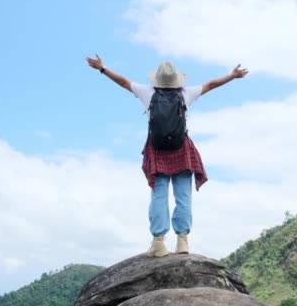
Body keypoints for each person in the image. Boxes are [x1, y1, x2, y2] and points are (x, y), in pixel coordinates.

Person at [85, 54, 248, 257]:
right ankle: (182, 241)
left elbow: (123, 82)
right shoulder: (186, 93)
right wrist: (232, 76)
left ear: (158, 79)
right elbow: (211, 84)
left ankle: (159, 242)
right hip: (182, 150)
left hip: (158, 150)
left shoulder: (147, 93)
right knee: (183, 195)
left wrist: (102, 68)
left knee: (159, 195)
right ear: (176, 79)